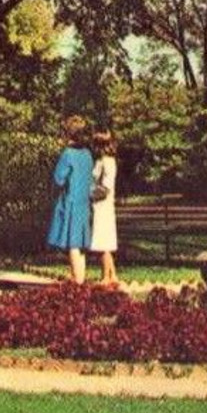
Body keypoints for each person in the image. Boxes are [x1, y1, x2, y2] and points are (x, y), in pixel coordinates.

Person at [45, 115, 94, 284]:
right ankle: (80, 279)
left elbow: (59, 178)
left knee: (72, 243)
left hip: (71, 202)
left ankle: (76, 282)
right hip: (84, 203)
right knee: (80, 245)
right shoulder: (88, 154)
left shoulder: (68, 154)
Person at [89, 130, 121, 287]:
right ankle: (113, 274)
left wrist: (90, 194)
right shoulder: (104, 160)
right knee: (105, 241)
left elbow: (105, 188)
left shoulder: (107, 162)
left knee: (103, 243)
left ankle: (106, 276)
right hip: (101, 205)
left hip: (103, 205)